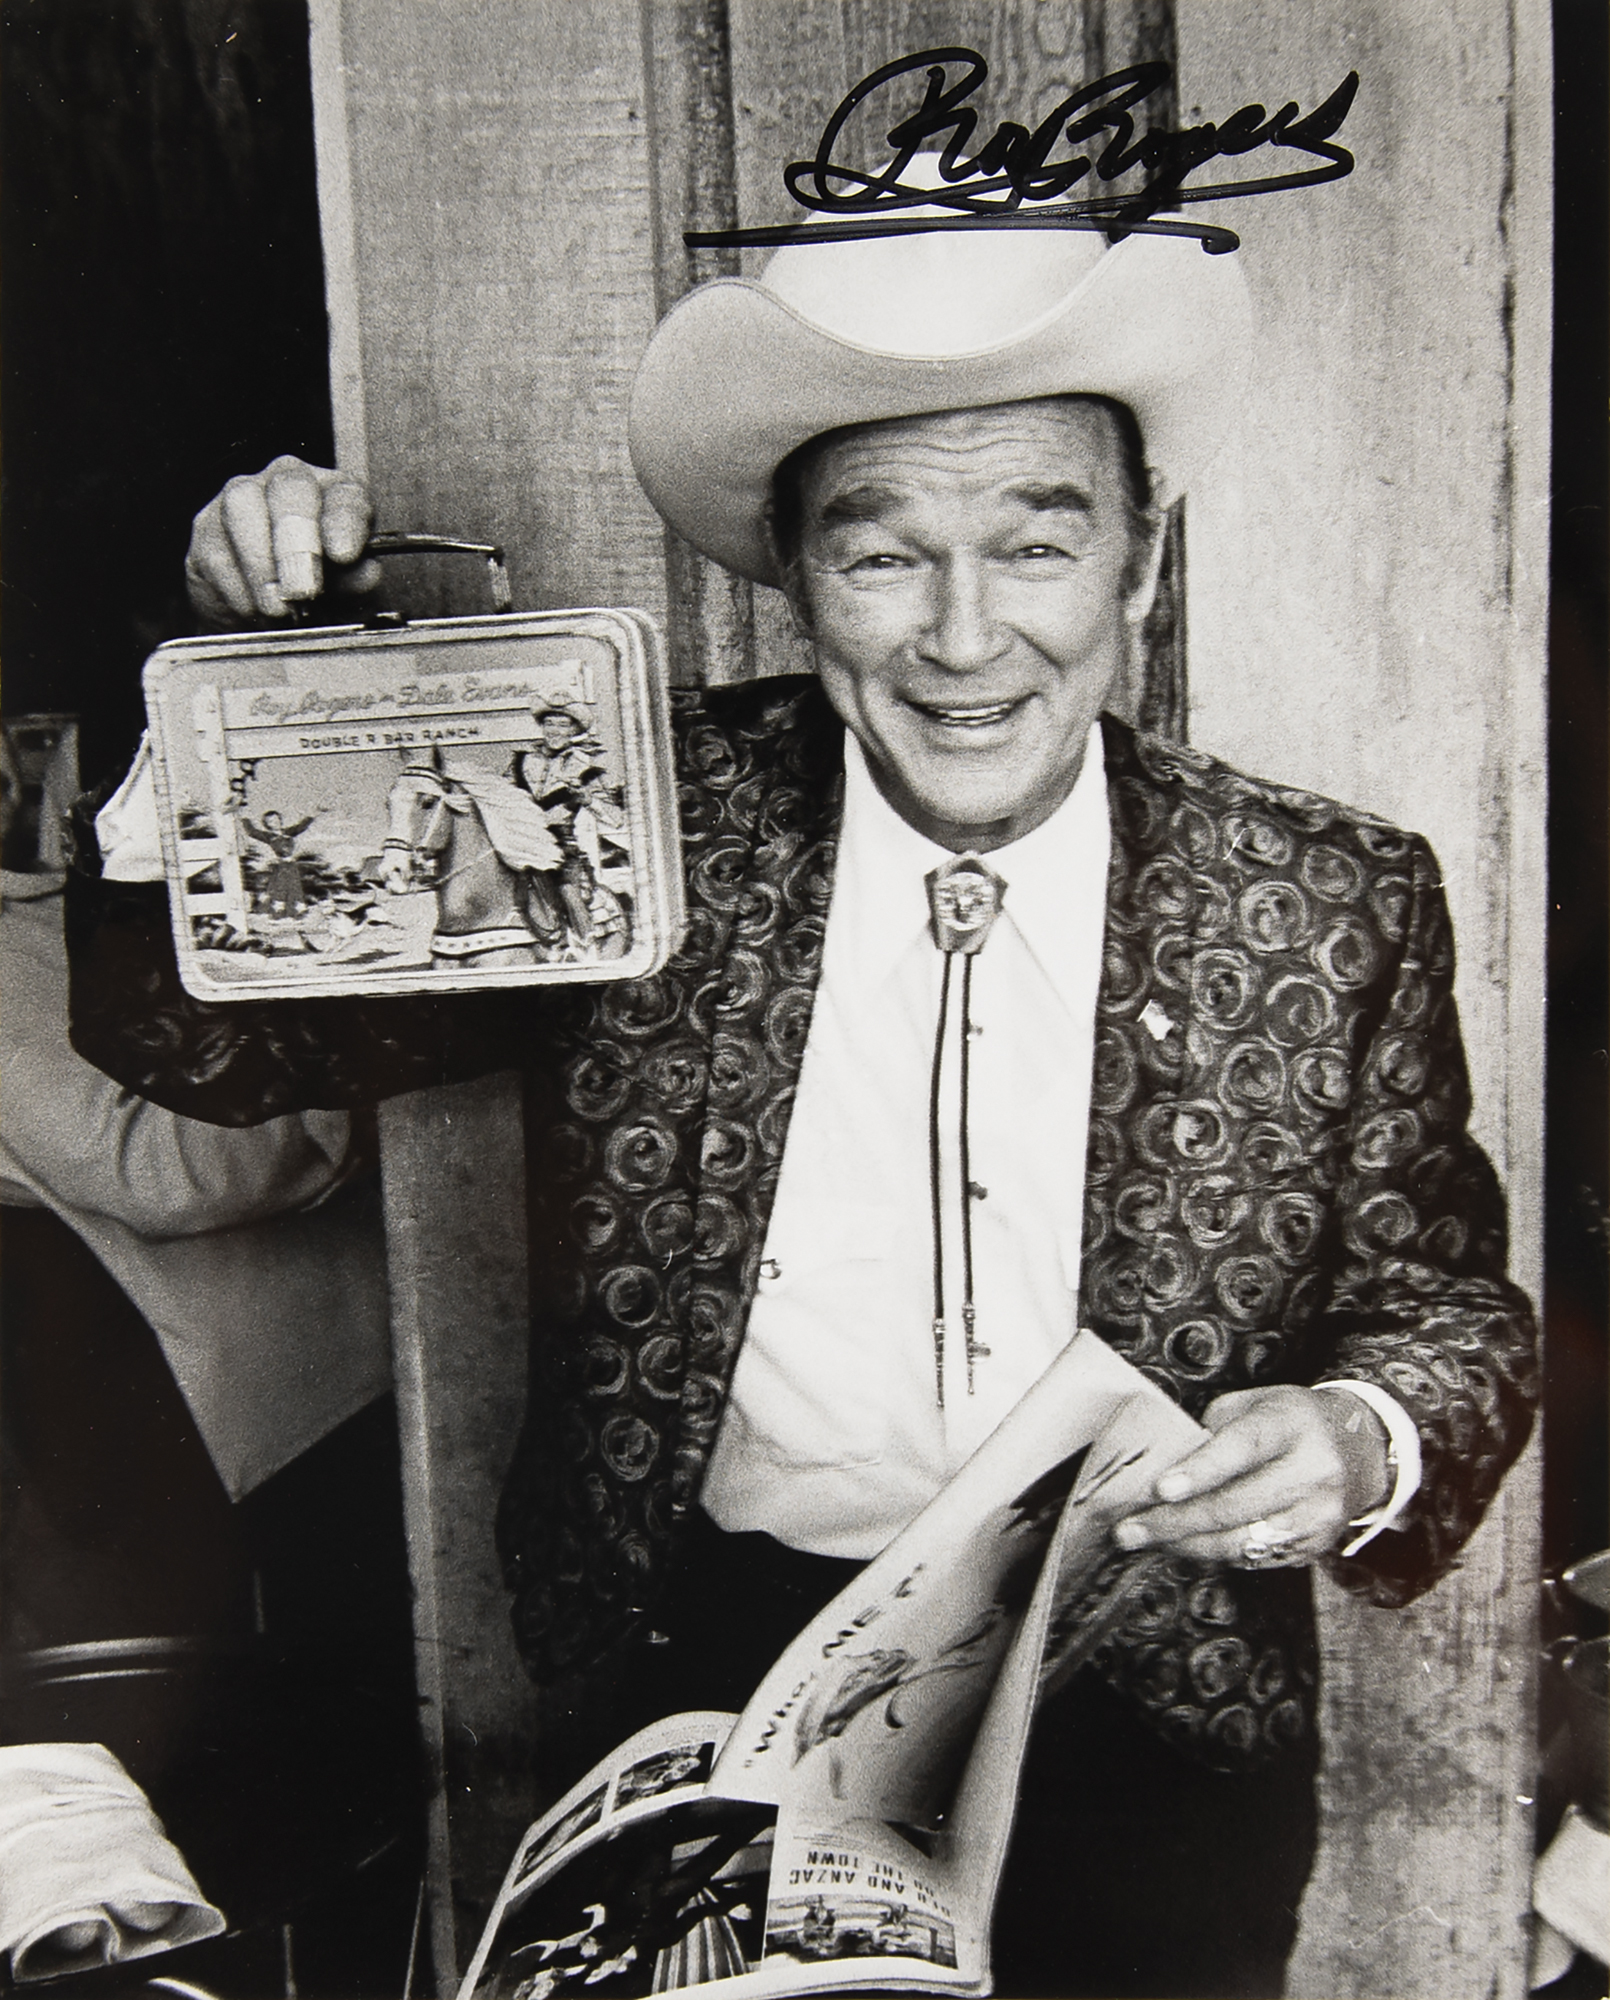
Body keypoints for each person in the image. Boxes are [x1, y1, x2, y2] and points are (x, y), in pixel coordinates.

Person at [65, 205, 1538, 1997]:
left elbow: (1441, 1304)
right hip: (705, 1664)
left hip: (1152, 1698)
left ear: (1139, 563)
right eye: (883, 557)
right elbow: (207, 1052)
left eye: (1036, 546)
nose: (965, 638)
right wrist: (233, 675)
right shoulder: (626, 813)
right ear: (789, 571)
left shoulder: (1326, 896)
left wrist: (1361, 1433)